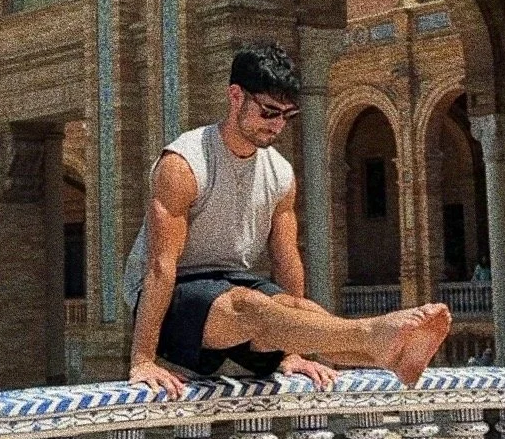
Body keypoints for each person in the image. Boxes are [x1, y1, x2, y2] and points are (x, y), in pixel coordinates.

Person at [124, 43, 452, 399]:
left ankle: (391, 356)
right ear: (235, 96)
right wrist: (143, 359)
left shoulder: (280, 173)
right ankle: (373, 336)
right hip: (169, 293)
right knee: (249, 306)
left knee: (297, 309)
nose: (278, 124)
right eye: (269, 112)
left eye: (287, 115)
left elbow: (286, 260)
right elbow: (160, 265)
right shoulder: (183, 163)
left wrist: (292, 354)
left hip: (228, 282)